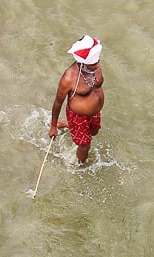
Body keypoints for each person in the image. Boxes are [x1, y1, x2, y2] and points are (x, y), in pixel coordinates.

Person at [49, 35, 105, 164]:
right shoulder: (69, 78)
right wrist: (53, 127)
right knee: (85, 145)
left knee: (94, 132)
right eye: (92, 64)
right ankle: (82, 166)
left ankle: (68, 125)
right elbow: (58, 102)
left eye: (97, 62)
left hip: (95, 112)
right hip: (78, 116)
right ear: (82, 63)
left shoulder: (95, 65)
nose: (97, 66)